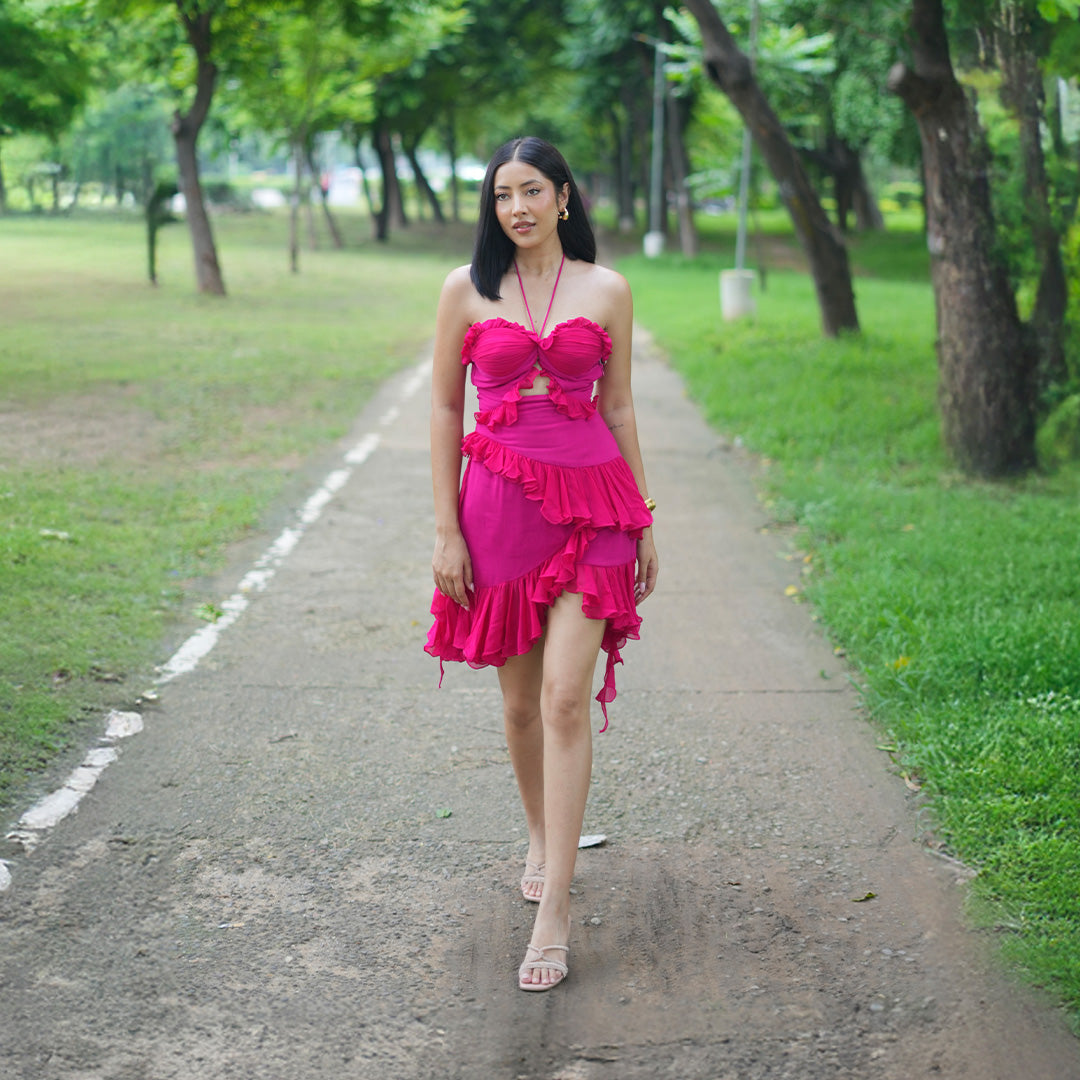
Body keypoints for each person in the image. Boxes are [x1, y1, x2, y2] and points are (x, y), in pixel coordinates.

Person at [425, 136, 658, 992]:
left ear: (563, 196)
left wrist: (644, 517)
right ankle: (538, 832)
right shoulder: (465, 288)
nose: (516, 208)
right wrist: (446, 531)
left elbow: (620, 407)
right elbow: (445, 408)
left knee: (565, 697)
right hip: (498, 511)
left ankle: (555, 907)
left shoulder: (608, 289)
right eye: (501, 195)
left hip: (596, 505)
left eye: (531, 191)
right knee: (521, 704)